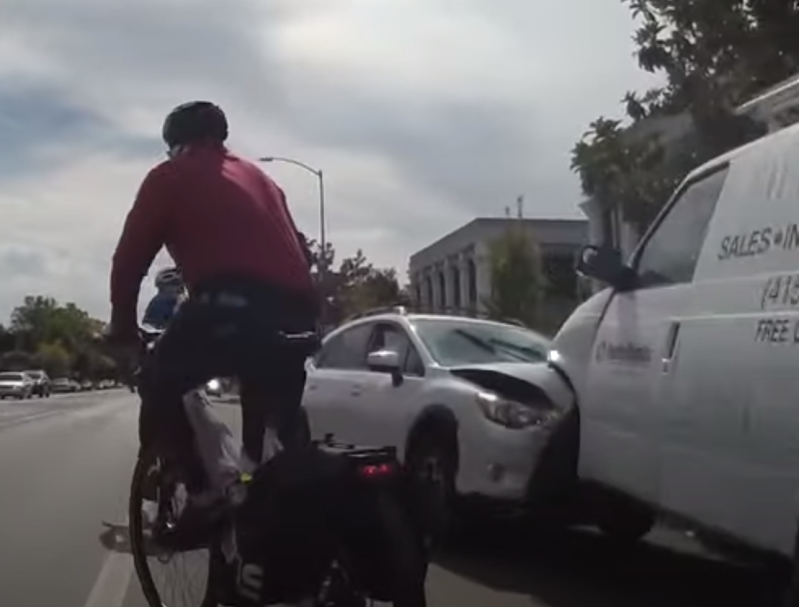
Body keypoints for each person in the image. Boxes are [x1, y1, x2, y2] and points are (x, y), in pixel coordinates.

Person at [106, 100, 319, 538]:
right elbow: (299, 249)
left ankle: (203, 495)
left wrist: (123, 329)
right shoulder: (263, 180)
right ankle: (276, 496)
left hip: (230, 305)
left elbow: (128, 263)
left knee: (160, 379)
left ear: (176, 145)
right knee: (276, 422)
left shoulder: (169, 177)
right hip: (299, 314)